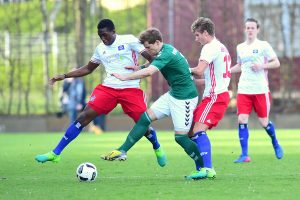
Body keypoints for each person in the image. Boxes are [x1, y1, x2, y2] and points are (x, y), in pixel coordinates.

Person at [35, 19, 166, 167]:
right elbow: (88, 69)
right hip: (109, 88)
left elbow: (153, 59)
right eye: (100, 36)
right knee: (83, 117)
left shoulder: (129, 40)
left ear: (113, 31)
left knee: (143, 123)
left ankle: (157, 147)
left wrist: (141, 67)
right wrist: (65, 76)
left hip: (131, 88)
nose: (103, 39)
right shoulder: (100, 49)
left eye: (105, 35)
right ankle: (55, 153)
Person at [102, 28, 204, 178]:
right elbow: (153, 64)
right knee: (144, 118)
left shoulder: (166, 53)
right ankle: (122, 150)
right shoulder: (164, 51)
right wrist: (139, 67)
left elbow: (150, 72)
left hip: (185, 99)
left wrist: (125, 77)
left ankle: (203, 169)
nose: (148, 51)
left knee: (181, 138)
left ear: (157, 42)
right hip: (173, 95)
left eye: (148, 47)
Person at [230, 18, 283, 163]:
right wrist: (227, 72)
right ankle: (244, 154)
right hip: (244, 89)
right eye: (247, 28)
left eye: (252, 28)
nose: (250, 30)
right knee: (242, 119)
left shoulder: (263, 45)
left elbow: (276, 63)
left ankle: (275, 143)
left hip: (260, 89)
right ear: (245, 29)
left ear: (257, 30)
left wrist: (262, 66)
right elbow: (239, 66)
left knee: (264, 122)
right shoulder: (240, 47)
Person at [185, 17, 231, 180]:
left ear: (205, 33)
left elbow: (199, 70)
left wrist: (180, 69)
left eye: (197, 35)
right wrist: (191, 80)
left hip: (215, 97)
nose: (196, 39)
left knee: (198, 130)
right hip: (215, 95)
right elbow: (210, 77)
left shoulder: (209, 47)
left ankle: (208, 169)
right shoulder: (221, 47)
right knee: (189, 132)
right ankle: (201, 167)